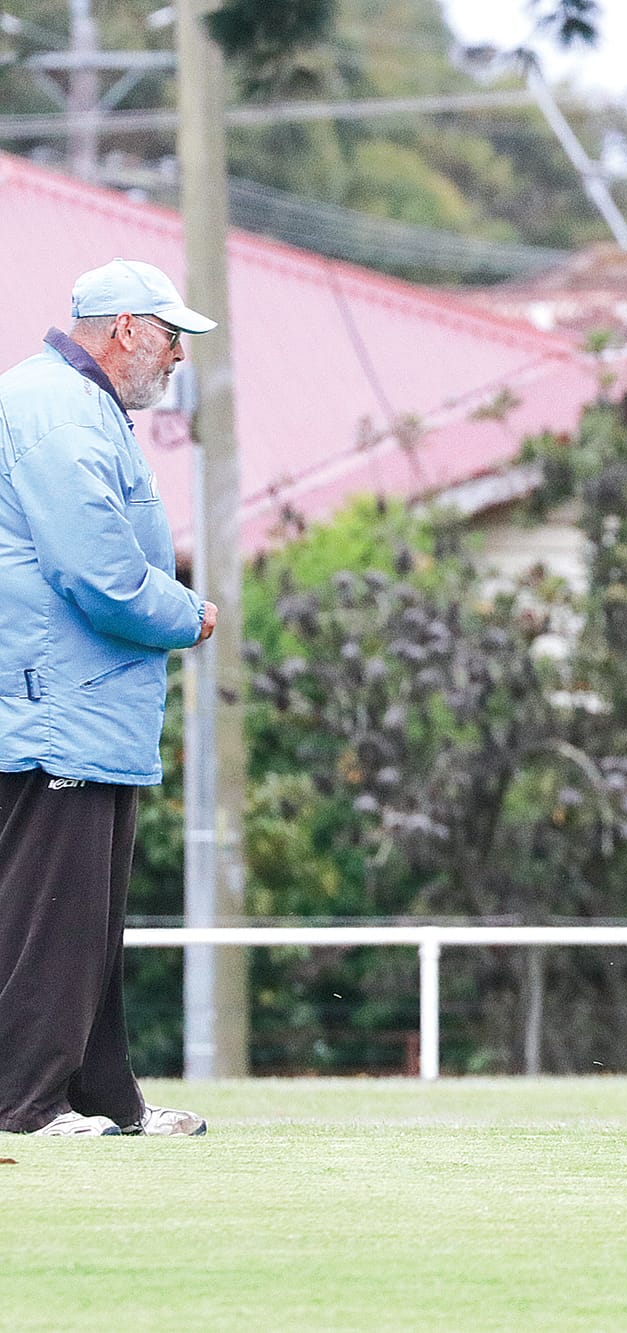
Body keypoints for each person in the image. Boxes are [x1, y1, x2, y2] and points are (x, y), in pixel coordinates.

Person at [0, 259, 220, 1137]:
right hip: (57, 705)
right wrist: (188, 613)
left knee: (89, 920)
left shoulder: (83, 406)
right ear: (126, 326)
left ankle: (99, 1096)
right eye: (172, 337)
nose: (177, 358)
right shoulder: (57, 407)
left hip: (87, 708)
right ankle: (25, 1101)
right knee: (50, 918)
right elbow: (96, 571)